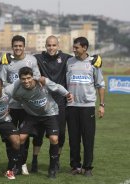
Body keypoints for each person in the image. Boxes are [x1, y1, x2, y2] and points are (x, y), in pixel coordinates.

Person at [14, 67, 73, 179]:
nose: (26, 81)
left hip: (50, 114)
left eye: (28, 78)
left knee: (54, 139)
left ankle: (52, 168)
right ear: (20, 79)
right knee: (20, 138)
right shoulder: (19, 90)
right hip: (32, 116)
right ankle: (18, 166)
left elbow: (57, 87)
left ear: (33, 77)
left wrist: (67, 94)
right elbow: (14, 97)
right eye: (23, 79)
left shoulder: (43, 82)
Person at [0, 35, 41, 175]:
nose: (18, 48)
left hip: (26, 107)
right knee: (9, 137)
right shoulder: (7, 61)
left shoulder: (31, 60)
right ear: (12, 47)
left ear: (24, 46)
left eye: (20, 46)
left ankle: (22, 163)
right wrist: (14, 89)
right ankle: (12, 164)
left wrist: (25, 90)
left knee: (24, 137)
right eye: (15, 46)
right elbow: (1, 82)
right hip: (10, 106)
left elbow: (37, 79)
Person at [31, 35, 72, 172]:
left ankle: (56, 161)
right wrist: (8, 56)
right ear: (45, 46)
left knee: (59, 135)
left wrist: (94, 58)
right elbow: (21, 57)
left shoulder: (66, 58)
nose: (51, 48)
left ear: (58, 46)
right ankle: (35, 160)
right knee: (38, 134)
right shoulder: (38, 58)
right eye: (49, 45)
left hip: (60, 103)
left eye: (54, 45)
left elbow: (81, 58)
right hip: (43, 102)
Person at [66, 37, 105, 177]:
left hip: (87, 106)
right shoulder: (69, 62)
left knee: (88, 138)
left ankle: (87, 167)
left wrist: (101, 105)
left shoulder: (94, 63)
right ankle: (75, 166)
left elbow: (100, 85)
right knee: (74, 139)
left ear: (84, 48)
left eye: (76, 47)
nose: (74, 49)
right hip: (71, 106)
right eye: (74, 47)